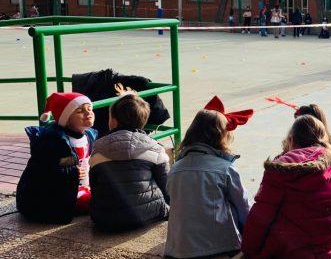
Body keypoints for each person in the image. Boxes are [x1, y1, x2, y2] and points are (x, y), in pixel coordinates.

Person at [241, 115, 331, 258]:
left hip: (294, 251)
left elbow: (261, 217)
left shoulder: (280, 170)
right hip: (327, 244)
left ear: (291, 139)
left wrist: (248, 250)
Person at [164, 97, 253, 259]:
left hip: (176, 251)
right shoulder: (225, 169)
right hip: (220, 249)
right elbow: (244, 209)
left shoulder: (175, 169)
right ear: (222, 137)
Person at [89, 93, 170, 231]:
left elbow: (94, 186)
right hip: (149, 215)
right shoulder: (155, 148)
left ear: (113, 121)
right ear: (143, 121)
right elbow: (167, 186)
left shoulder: (97, 148)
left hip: (104, 219)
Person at [16, 92, 97, 224]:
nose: (88, 113)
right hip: (53, 194)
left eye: (90, 109)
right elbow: (43, 170)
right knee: (101, 199)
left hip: (80, 186)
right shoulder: (52, 140)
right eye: (80, 111)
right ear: (65, 118)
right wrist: (72, 172)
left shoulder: (90, 135)